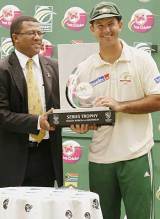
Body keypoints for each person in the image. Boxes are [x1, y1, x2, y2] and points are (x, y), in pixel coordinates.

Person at [71, 2, 160, 219]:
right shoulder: (84, 68)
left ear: (120, 24)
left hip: (135, 155)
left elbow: (158, 98)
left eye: (110, 24)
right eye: (100, 25)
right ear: (92, 29)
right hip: (100, 158)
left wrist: (120, 106)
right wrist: (80, 124)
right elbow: (84, 113)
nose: (106, 30)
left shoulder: (141, 59)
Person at [0, 16, 63, 187]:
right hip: (12, 158)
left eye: (39, 33)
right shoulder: (2, 69)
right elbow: (2, 114)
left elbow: (62, 108)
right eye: (31, 33)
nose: (38, 37)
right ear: (15, 37)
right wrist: (37, 121)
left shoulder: (55, 67)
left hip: (47, 155)